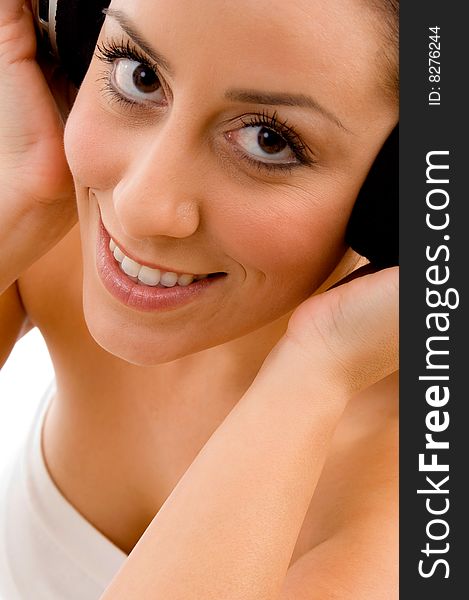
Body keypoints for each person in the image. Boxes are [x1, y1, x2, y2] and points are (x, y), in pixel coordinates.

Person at [0, 0, 399, 598]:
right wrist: (20, 202)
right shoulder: (60, 242)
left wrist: (313, 374)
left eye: (269, 140)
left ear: (397, 200)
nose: (140, 205)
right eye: (138, 73)